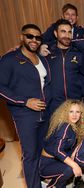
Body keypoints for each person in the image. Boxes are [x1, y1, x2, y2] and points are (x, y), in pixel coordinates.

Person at [0, 24, 51, 188]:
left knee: (43, 150)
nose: (34, 40)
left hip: (45, 113)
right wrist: (25, 101)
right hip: (25, 115)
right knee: (30, 155)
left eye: (38, 37)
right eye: (30, 36)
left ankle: (41, 180)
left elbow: (45, 83)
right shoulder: (10, 59)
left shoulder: (42, 59)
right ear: (22, 36)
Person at [39, 100, 84, 187]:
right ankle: (51, 185)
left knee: (80, 157)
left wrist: (75, 151)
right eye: (71, 111)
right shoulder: (65, 126)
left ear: (81, 114)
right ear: (65, 113)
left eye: (77, 112)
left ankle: (52, 179)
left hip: (56, 160)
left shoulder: (74, 126)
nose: (74, 115)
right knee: (71, 168)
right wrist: (75, 165)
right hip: (46, 164)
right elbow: (57, 150)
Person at [46, 19, 84, 114]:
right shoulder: (47, 54)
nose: (67, 36)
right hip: (54, 104)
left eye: (69, 32)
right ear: (56, 33)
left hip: (75, 103)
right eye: (63, 32)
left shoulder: (79, 54)